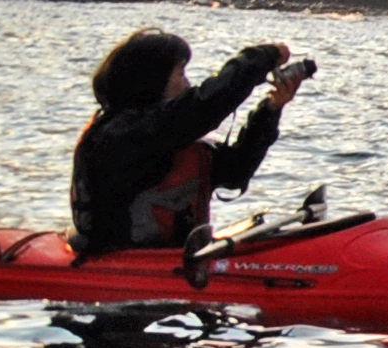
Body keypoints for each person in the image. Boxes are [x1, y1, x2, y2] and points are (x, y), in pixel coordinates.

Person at [69, 31, 310, 256]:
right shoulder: (122, 135)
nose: (188, 84)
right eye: (181, 74)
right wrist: (264, 57)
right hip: (123, 262)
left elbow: (234, 173)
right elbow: (206, 106)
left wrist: (270, 109)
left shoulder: (168, 134)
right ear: (152, 81)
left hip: (178, 257)